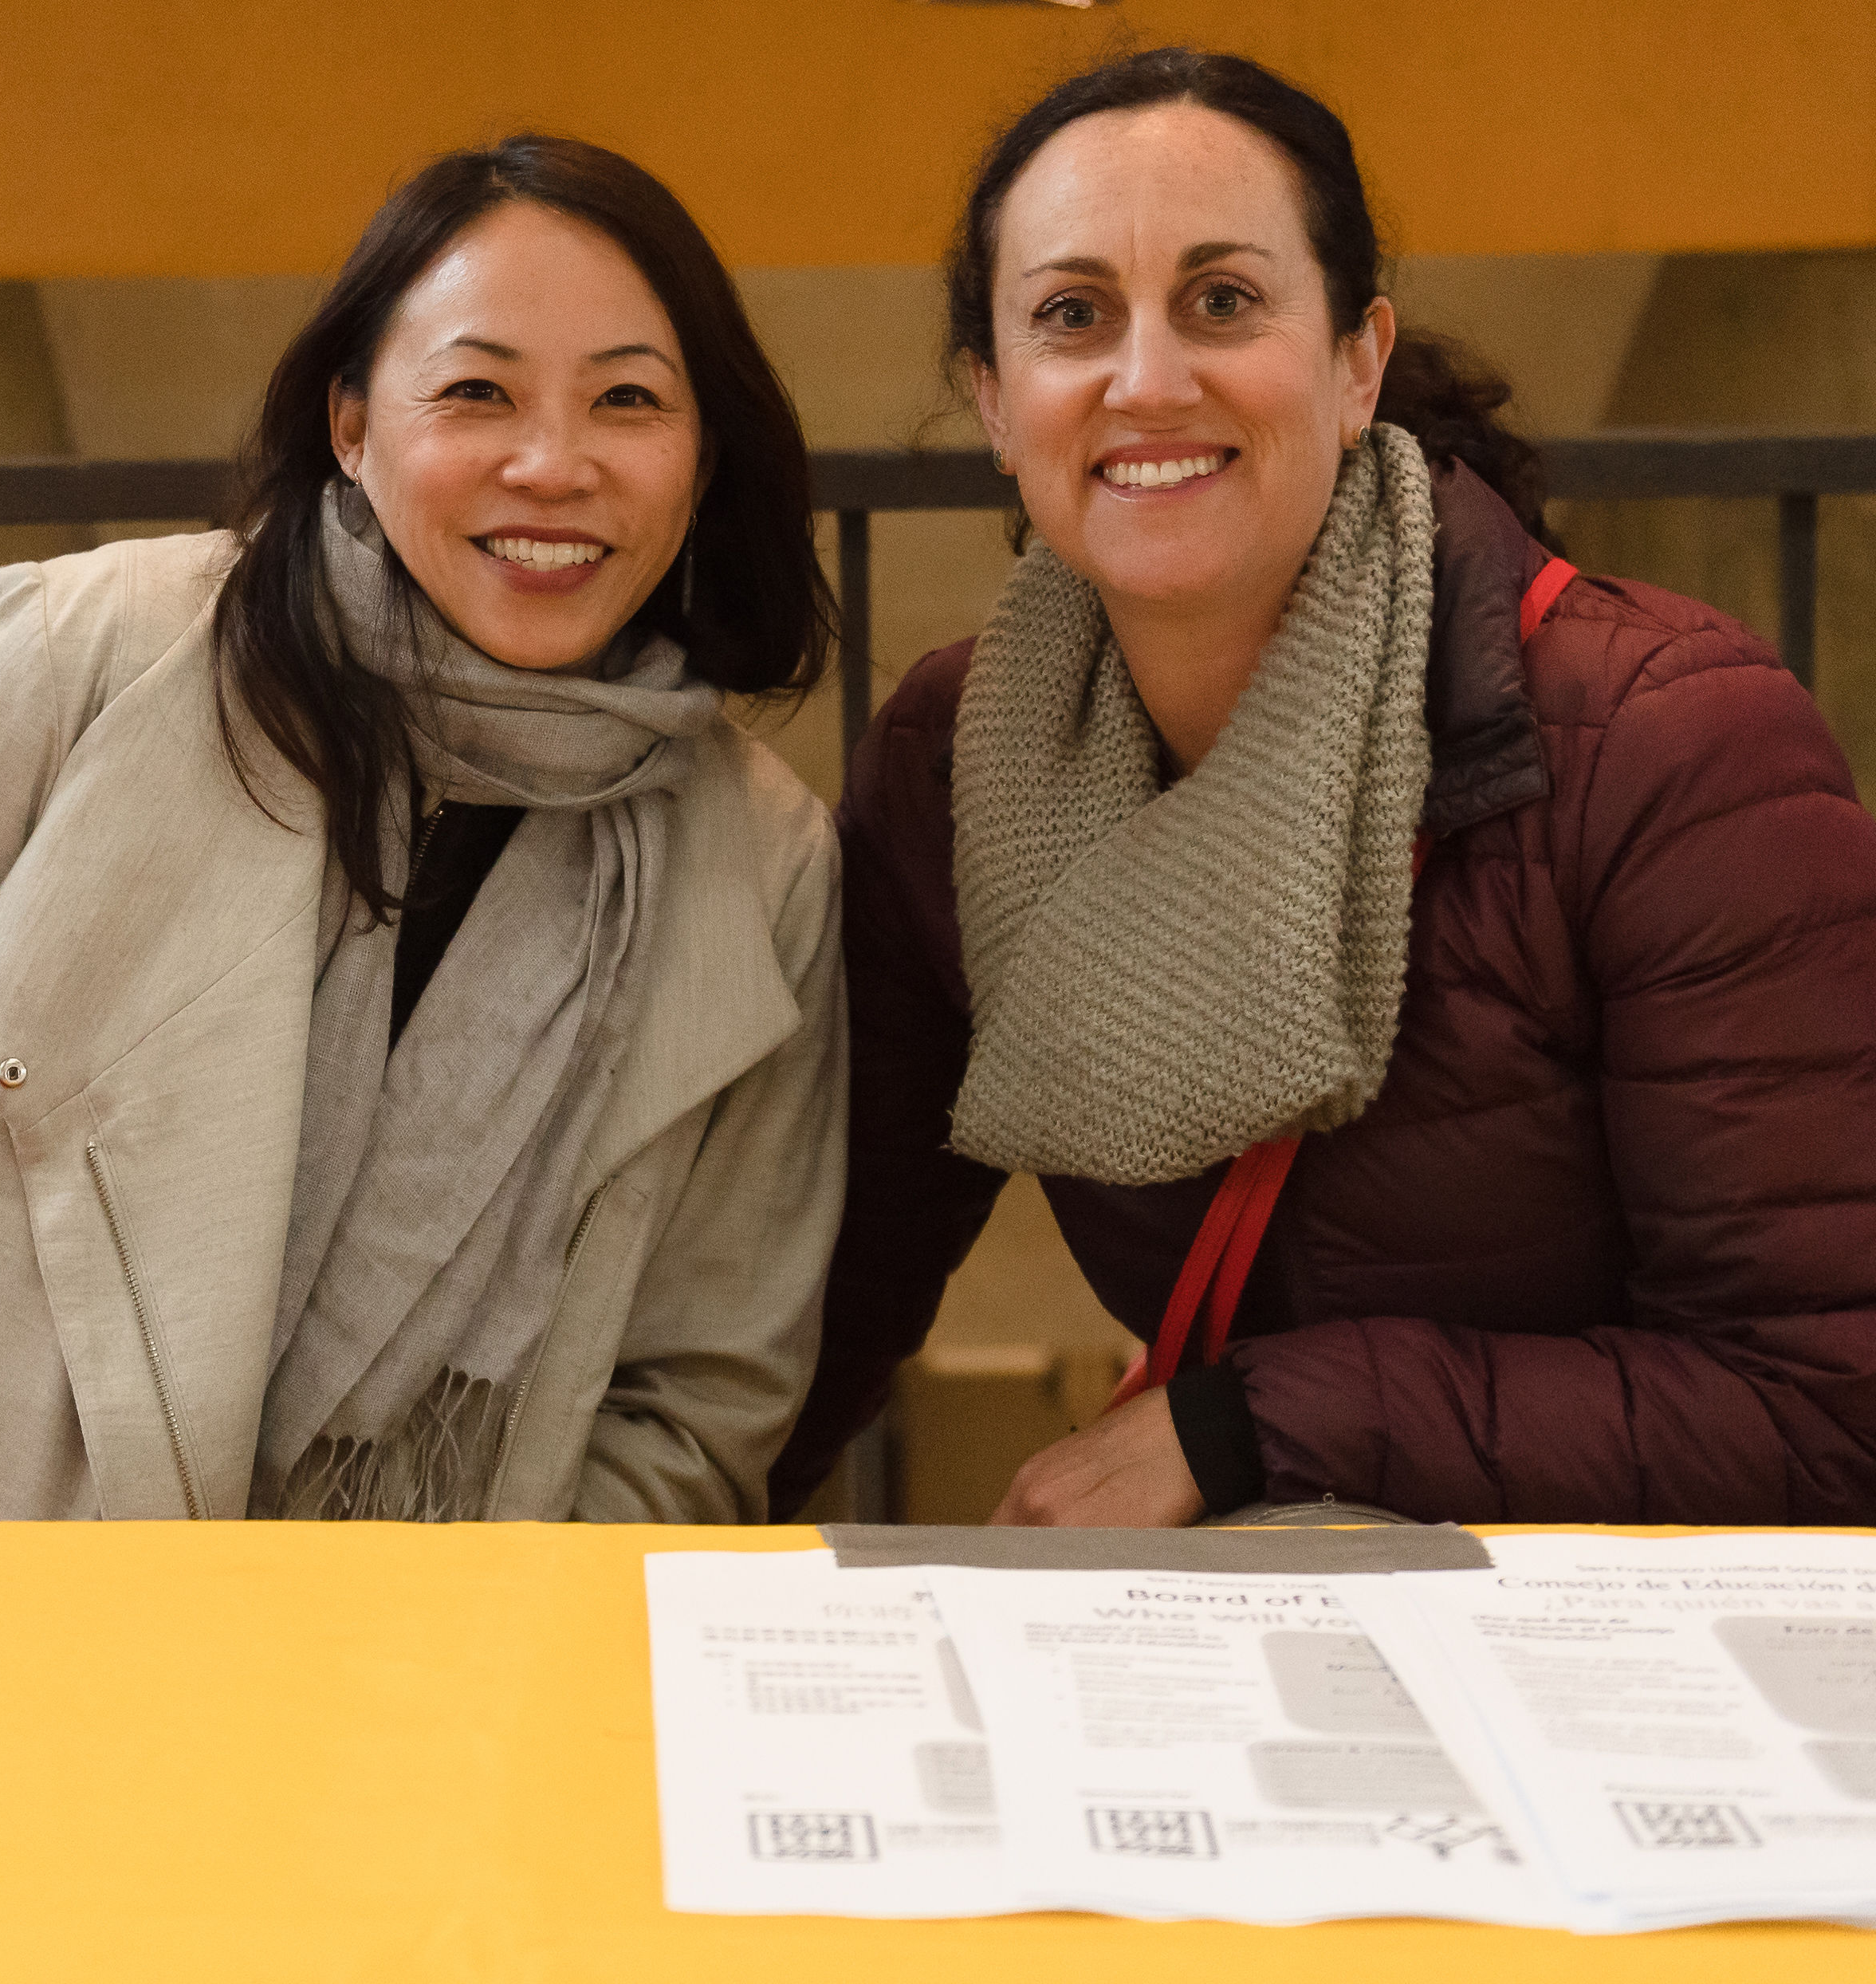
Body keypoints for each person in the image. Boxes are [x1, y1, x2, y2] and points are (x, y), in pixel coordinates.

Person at [769, 49, 1876, 1529]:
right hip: (1277, 1596)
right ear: (994, 400)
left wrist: (1255, 1424)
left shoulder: (1669, 743)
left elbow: (1826, 1412)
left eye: (1223, 301)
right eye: (1072, 315)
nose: (1148, 381)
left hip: (1606, 1629)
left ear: (1357, 364)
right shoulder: (952, 758)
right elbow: (828, 1299)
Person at [0, 136, 845, 1523]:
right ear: (352, 424)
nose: (552, 464)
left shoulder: (764, 861)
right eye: (476, 391)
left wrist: (446, 1643)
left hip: (441, 1644)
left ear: (703, 456)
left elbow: (697, 1407)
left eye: (629, 399)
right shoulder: (87, 656)